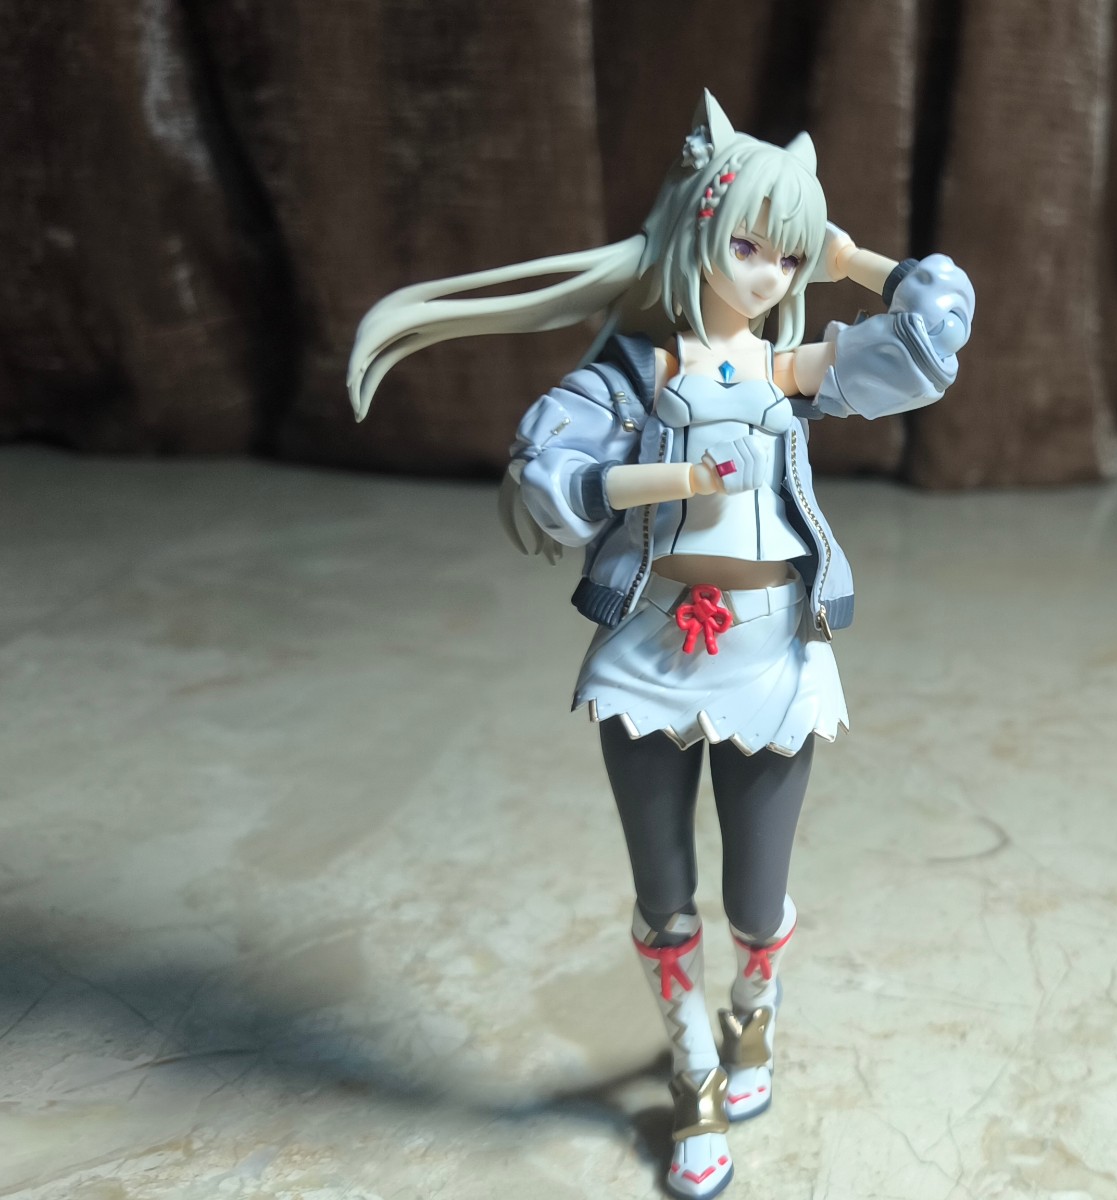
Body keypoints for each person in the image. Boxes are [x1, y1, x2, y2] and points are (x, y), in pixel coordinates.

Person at [345, 89, 975, 1198]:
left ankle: (754, 1017)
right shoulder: (636, 374)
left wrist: (849, 260)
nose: (770, 275)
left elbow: (932, 333)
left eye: (787, 255)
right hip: (652, 651)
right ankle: (692, 1071)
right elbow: (547, 475)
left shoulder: (790, 369)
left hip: (771, 654)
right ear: (696, 231)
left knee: (758, 899)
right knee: (665, 894)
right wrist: (670, 476)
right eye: (751, 246)